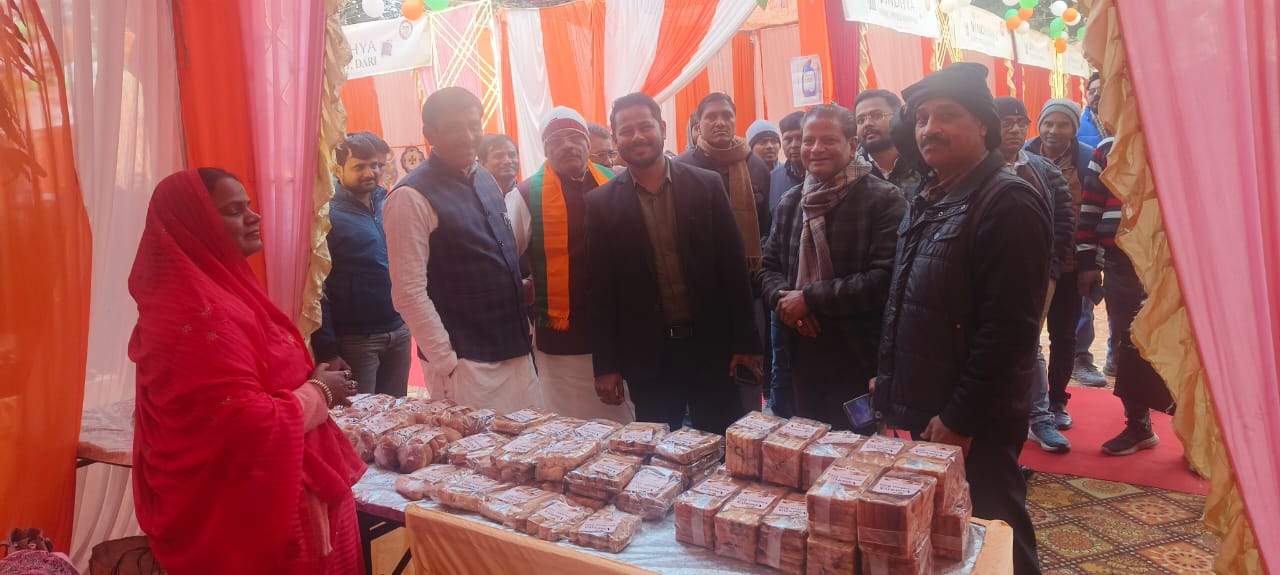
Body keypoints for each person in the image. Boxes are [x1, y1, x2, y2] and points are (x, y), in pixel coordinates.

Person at [129, 168, 364, 574]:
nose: (254, 217)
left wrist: (305, 378)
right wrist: (319, 392)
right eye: (234, 211)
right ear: (195, 224)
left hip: (281, 487)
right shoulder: (199, 312)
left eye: (249, 206)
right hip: (261, 513)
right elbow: (244, 420)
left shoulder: (219, 287)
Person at [876, 63, 1048, 575]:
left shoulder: (1007, 201)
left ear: (983, 127)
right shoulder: (934, 195)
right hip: (932, 407)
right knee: (950, 534)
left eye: (946, 115)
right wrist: (889, 375)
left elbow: (1009, 333)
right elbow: (910, 299)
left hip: (975, 421)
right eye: (922, 118)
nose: (929, 128)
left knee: (995, 532)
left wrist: (961, 419)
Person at [587, 92, 763, 435]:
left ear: (663, 128)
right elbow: (601, 291)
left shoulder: (706, 186)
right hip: (648, 356)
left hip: (711, 348)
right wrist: (606, 366)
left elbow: (733, 271)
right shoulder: (601, 203)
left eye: (645, 126)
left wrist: (746, 343)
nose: (637, 137)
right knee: (657, 453)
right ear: (615, 139)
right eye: (626, 131)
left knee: (721, 445)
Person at [384, 87, 541, 413]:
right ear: (430, 134)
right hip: (466, 362)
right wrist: (446, 360)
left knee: (527, 440)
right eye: (455, 128)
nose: (468, 137)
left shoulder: (485, 178)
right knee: (477, 446)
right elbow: (408, 292)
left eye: (474, 125)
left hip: (515, 348)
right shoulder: (410, 196)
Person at [758, 104, 905, 429]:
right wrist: (788, 303)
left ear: (851, 145)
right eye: (808, 140)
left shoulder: (884, 199)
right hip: (800, 351)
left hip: (857, 354)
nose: (815, 149)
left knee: (855, 447)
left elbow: (884, 279)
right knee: (806, 443)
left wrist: (809, 299)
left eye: (828, 140)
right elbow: (768, 269)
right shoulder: (791, 202)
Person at [507, 107, 635, 422]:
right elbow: (504, 257)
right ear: (545, 149)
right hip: (563, 336)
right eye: (557, 140)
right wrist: (523, 286)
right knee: (571, 423)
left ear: (587, 143)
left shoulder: (617, 181)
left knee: (626, 421)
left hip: (622, 328)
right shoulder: (526, 194)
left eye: (575, 138)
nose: (568, 146)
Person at [1077, 136, 1176, 455]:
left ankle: (1195, 434)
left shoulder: (1178, 136)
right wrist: (1087, 261)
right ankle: (1138, 424)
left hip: (1175, 259)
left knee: (1184, 341)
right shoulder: (1108, 149)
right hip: (1122, 260)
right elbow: (1090, 207)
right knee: (1128, 341)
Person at [676, 92, 771, 411]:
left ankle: (748, 432)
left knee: (749, 372)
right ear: (698, 124)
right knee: (709, 381)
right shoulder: (681, 167)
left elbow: (766, 225)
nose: (720, 122)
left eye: (727, 116)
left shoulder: (755, 165)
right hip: (700, 294)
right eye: (712, 117)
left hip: (749, 288)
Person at [994, 96, 1075, 453]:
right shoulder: (974, 168)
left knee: (1031, 343)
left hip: (1036, 276)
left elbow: (1063, 226)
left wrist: (1052, 276)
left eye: (1020, 122)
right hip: (987, 276)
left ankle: (1040, 418)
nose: (1014, 129)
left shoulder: (1044, 170)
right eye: (1005, 122)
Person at [311, 133, 412, 397]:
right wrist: (327, 349)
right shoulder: (326, 216)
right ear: (338, 170)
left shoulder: (386, 202)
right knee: (361, 414)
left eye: (375, 165)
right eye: (359, 166)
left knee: (398, 411)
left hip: (399, 329)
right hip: (357, 339)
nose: (370, 172)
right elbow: (318, 288)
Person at [1025, 99, 1098, 429]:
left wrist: (1090, 264)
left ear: (1074, 128)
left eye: (1063, 124)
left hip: (1069, 265)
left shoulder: (1087, 161)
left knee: (1064, 336)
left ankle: (1057, 400)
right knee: (1024, 335)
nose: (1054, 131)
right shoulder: (1022, 155)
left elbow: (1092, 215)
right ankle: (1025, 402)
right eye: (1048, 123)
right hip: (1028, 265)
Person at [766, 110, 806, 418]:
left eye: (800, 138)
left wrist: (810, 299)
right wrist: (780, 295)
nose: (794, 145)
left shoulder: (874, 195)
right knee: (781, 367)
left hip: (822, 302)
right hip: (782, 296)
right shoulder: (776, 178)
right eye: (788, 139)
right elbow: (771, 247)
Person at [854, 89, 921, 193]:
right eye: (860, 120)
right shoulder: (850, 172)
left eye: (877, 115)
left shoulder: (922, 161)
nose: (867, 124)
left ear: (898, 118)